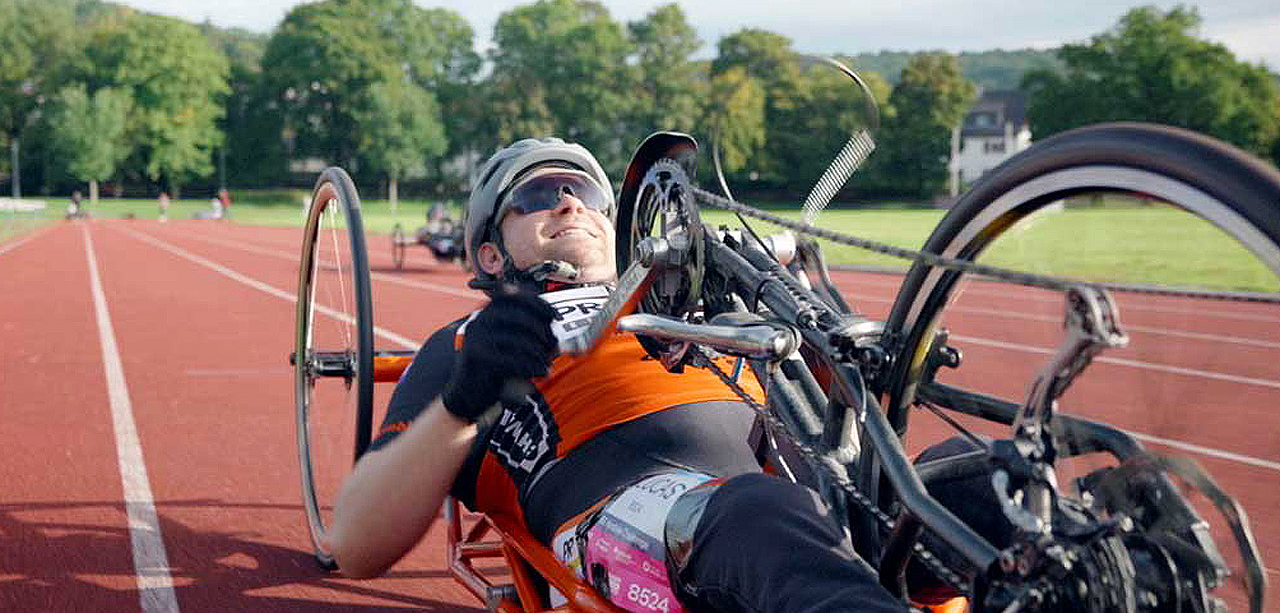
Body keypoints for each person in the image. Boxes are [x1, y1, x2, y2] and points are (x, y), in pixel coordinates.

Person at [329, 138, 979, 613]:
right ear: (492, 252)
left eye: (582, 193)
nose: (565, 202)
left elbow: (843, 408)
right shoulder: (468, 343)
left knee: (978, 479)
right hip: (643, 516)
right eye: (535, 196)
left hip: (805, 498)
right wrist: (464, 401)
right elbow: (355, 544)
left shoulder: (693, 305)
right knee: (755, 511)